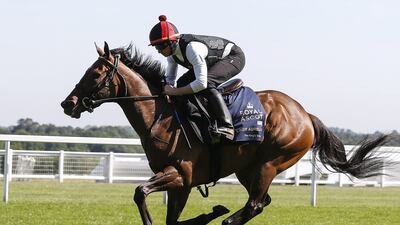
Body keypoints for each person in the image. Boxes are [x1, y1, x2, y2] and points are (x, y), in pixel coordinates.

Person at [149, 15, 246, 141]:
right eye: (156, 47)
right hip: (213, 61)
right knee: (182, 82)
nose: (159, 51)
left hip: (233, 57)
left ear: (172, 42)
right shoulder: (171, 55)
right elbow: (171, 81)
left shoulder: (192, 49)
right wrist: (167, 90)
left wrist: (175, 91)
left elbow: (201, 84)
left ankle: (226, 125)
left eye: (161, 46)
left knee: (208, 82)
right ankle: (199, 118)